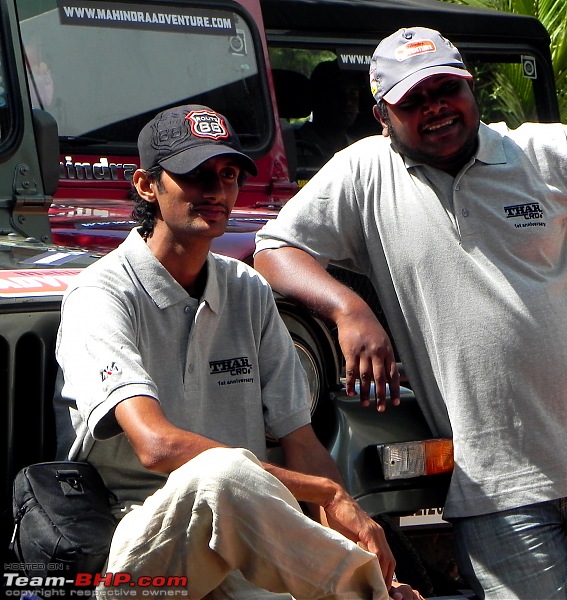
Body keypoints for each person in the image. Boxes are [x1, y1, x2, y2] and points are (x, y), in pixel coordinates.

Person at [254, 27, 567, 599]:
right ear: (383, 114)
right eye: (413, 101)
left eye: (446, 89)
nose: (435, 109)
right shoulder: (363, 172)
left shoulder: (543, 150)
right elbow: (274, 248)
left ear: (471, 89)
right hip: (492, 478)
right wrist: (348, 308)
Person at [53, 104, 421, 600]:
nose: (217, 191)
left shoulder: (248, 290)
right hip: (140, 541)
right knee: (222, 474)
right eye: (195, 175)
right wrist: (324, 494)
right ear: (146, 186)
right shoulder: (101, 294)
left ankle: (379, 584)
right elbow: (156, 446)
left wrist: (345, 517)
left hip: (249, 535)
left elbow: (304, 445)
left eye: (227, 174)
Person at [296, 60, 362, 166]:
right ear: (317, 98)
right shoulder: (294, 147)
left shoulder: (360, 149)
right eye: (338, 93)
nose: (347, 101)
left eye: (353, 94)